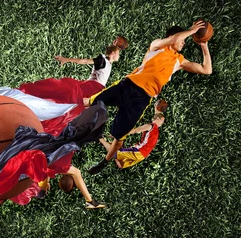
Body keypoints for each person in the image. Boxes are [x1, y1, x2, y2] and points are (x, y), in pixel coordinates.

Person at [85, 20, 212, 174]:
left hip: (141, 100)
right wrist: (192, 31)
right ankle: (67, 118)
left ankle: (104, 163)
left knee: (119, 138)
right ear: (174, 36)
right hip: (127, 85)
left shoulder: (179, 61)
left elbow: (206, 70)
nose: (184, 43)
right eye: (183, 39)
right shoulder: (157, 45)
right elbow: (173, 40)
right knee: (91, 102)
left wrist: (203, 44)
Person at [99, 101, 165, 169]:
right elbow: (135, 131)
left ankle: (116, 155)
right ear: (157, 119)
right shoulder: (150, 126)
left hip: (142, 154)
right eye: (162, 121)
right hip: (140, 152)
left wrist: (156, 107)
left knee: (119, 160)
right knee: (115, 153)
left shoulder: (154, 127)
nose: (162, 123)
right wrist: (119, 133)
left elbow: (158, 114)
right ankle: (101, 139)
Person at [54, 37, 127, 88]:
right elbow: (85, 61)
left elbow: (114, 49)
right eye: (118, 53)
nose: (119, 56)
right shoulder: (102, 60)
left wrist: (116, 46)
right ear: (113, 53)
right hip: (90, 88)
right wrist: (66, 59)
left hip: (96, 91)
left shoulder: (108, 63)